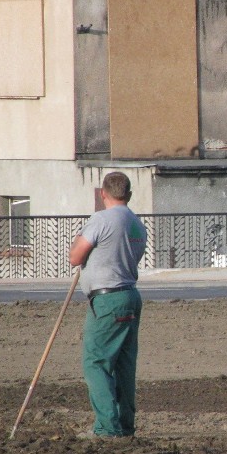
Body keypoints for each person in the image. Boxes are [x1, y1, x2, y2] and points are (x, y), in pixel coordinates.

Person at [69, 172, 147, 438]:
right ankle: (125, 426)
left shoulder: (101, 219)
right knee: (124, 366)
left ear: (103, 194)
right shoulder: (137, 224)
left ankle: (106, 428)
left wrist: (80, 249)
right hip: (130, 296)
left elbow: (75, 256)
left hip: (107, 299)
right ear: (129, 194)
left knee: (96, 363)